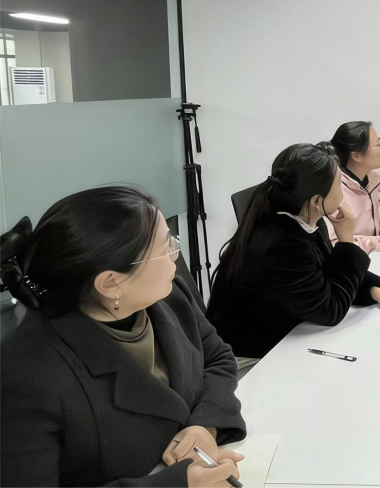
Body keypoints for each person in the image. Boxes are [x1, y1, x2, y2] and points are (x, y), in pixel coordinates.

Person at [0, 187, 246, 488]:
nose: (175, 252)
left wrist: (206, 425)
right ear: (110, 283)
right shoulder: (28, 375)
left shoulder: (171, 298)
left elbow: (218, 358)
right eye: (166, 247)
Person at [206, 143, 380, 361]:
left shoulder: (306, 219)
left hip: (283, 334)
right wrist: (347, 240)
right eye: (339, 184)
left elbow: (328, 273)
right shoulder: (281, 246)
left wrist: (372, 290)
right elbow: (331, 310)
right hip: (247, 358)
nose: (342, 191)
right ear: (316, 201)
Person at [318, 121, 380, 252]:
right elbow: (332, 244)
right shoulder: (334, 190)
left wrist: (375, 226)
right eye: (378, 144)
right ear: (357, 155)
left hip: (367, 258)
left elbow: (355, 226)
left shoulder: (372, 182)